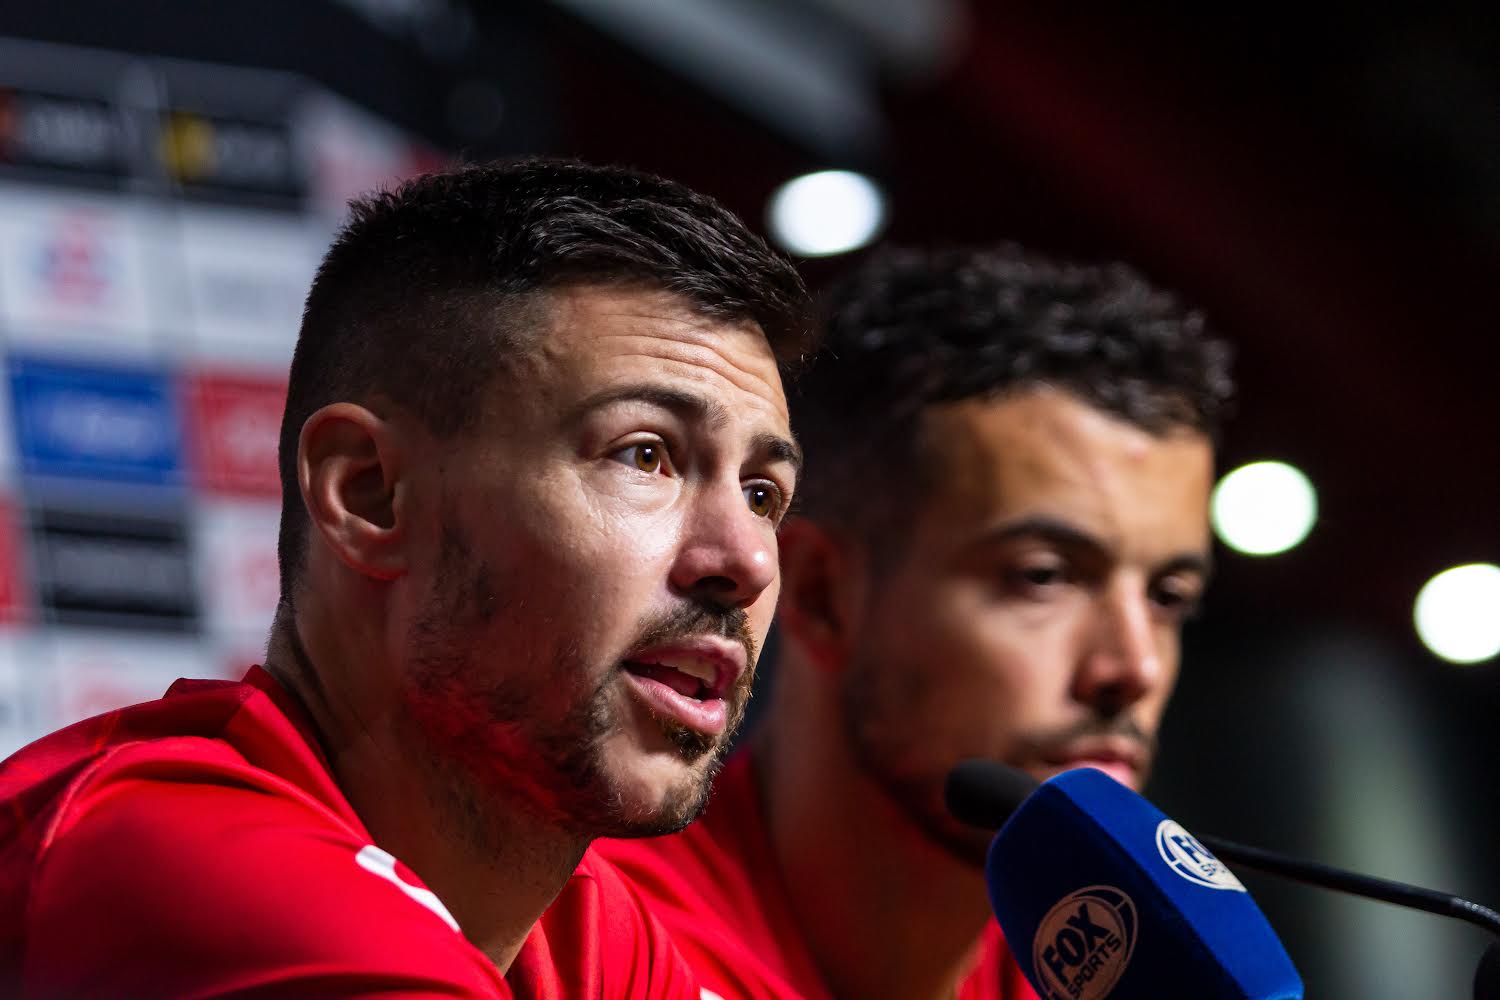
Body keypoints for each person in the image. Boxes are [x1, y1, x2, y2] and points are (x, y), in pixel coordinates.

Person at [0, 158, 812, 998]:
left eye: (762, 494)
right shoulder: (191, 868)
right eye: (645, 455)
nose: (746, 562)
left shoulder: (581, 932)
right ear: (369, 493)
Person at [598, 245, 1233, 1000]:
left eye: (1166, 597)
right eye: (1043, 577)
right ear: (821, 594)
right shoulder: (581, 936)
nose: (1134, 668)